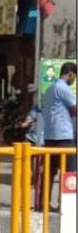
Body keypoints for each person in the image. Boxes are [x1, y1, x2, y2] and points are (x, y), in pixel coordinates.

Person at [41, 61, 77, 209]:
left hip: (50, 135)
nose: (74, 80)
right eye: (74, 77)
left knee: (49, 171)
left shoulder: (50, 89)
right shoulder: (63, 88)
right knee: (68, 172)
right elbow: (75, 108)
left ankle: (43, 203)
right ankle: (66, 205)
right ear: (70, 74)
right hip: (64, 137)